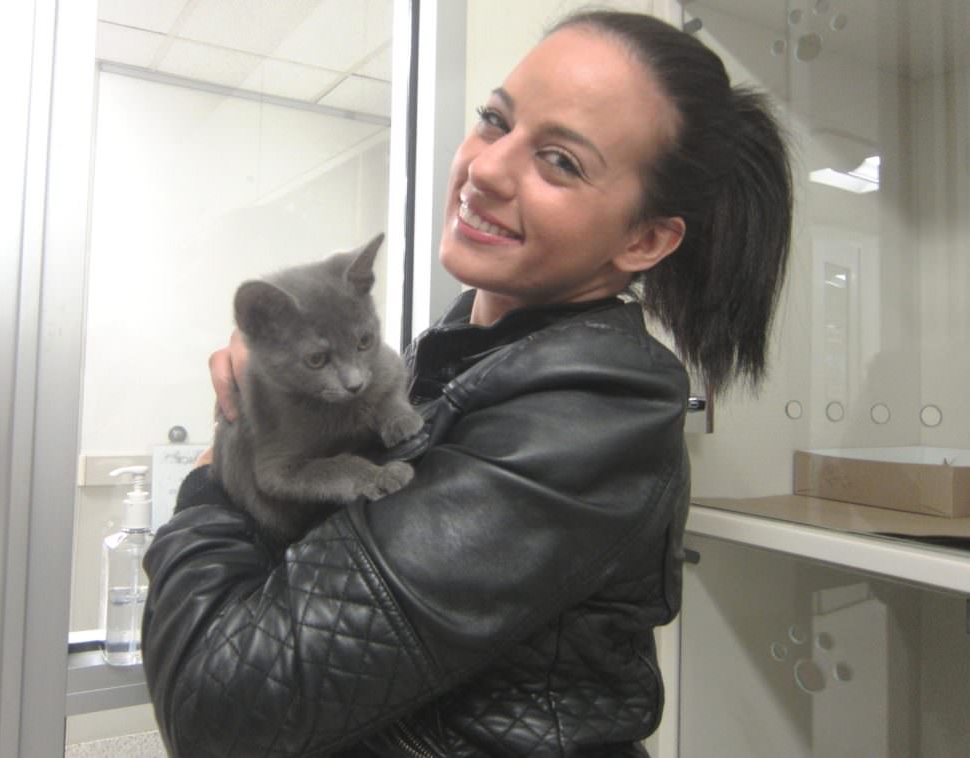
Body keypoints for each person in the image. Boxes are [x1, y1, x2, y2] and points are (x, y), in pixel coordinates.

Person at [141, 9, 792, 757]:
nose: (484, 168)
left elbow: (216, 713)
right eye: (494, 119)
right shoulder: (450, 359)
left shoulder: (587, 414)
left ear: (643, 239)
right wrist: (268, 410)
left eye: (561, 161)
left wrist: (212, 478)